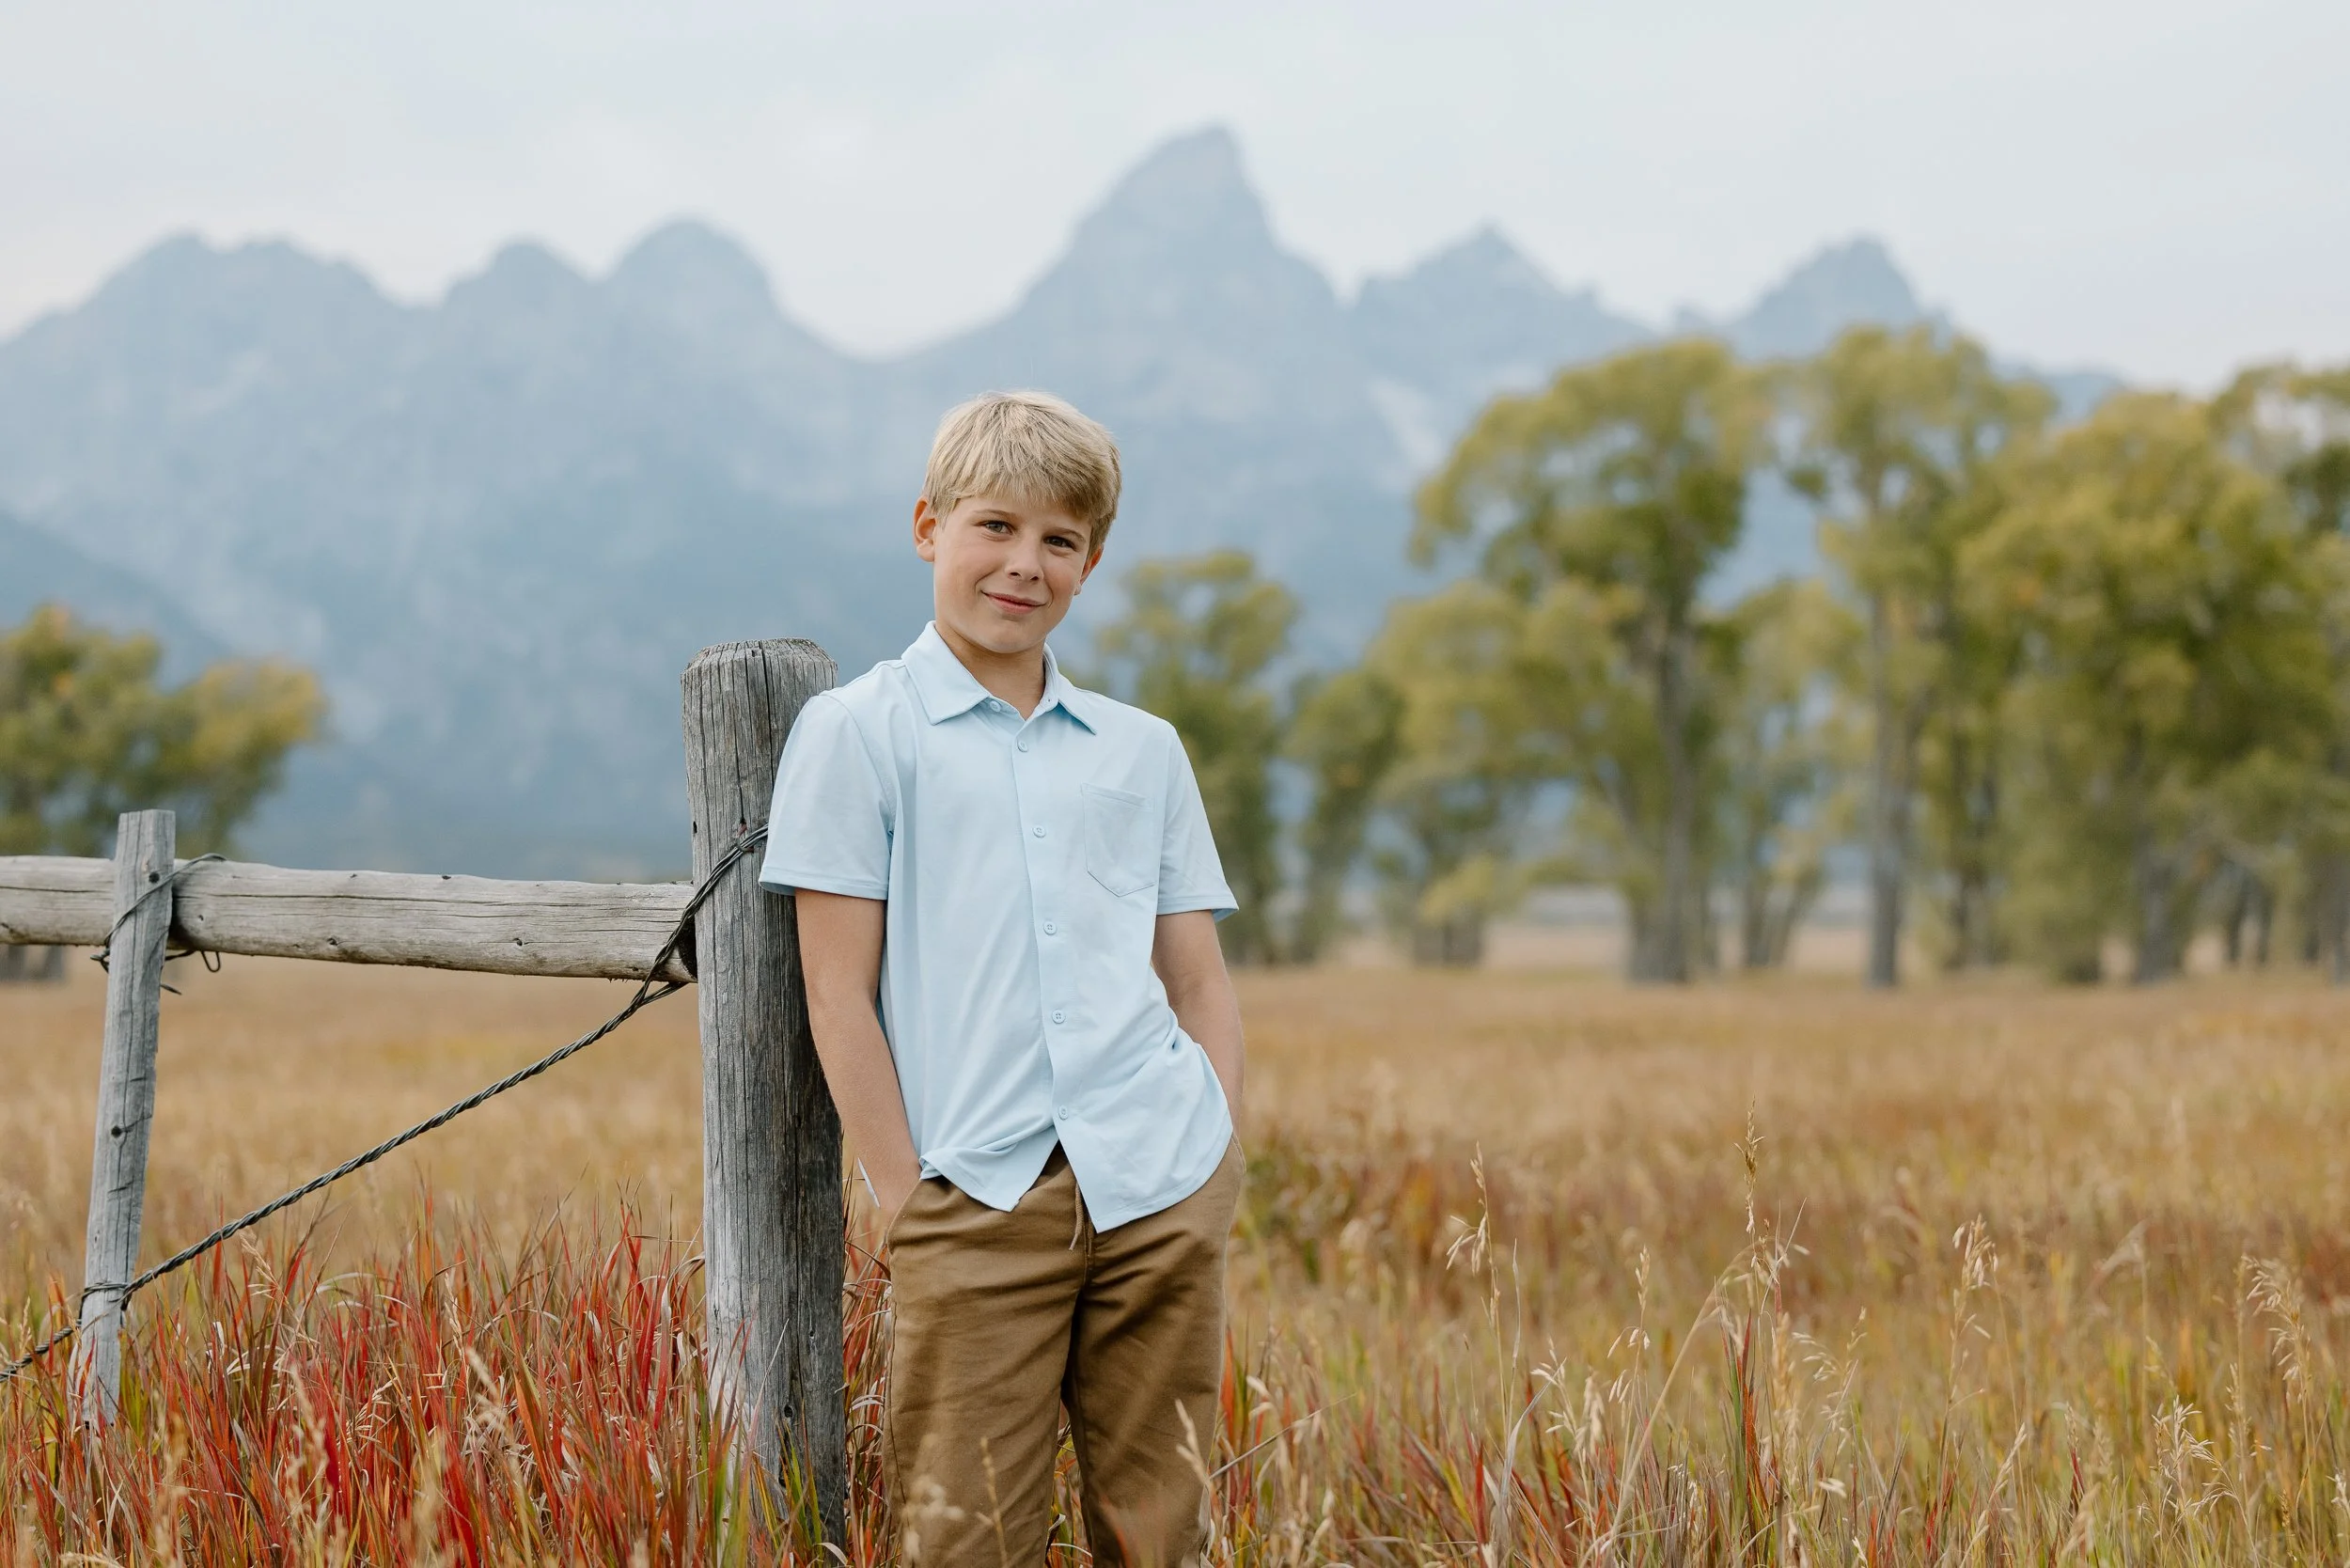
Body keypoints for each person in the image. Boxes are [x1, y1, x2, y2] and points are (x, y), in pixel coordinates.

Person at [759, 389, 1245, 1565]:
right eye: (995, 527)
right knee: (963, 1532)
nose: (1024, 564)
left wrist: (1213, 1150)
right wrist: (905, 1200)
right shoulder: (857, 731)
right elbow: (837, 993)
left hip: (1156, 1183)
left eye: (1059, 541)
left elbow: (1196, 976)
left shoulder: (1143, 749)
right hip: (971, 1199)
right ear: (928, 526)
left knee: (1160, 1530)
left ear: (1089, 563)